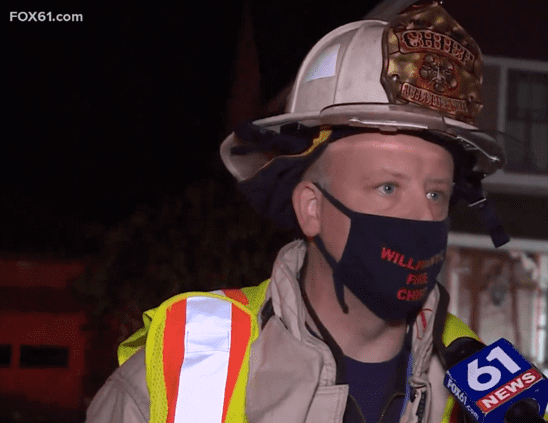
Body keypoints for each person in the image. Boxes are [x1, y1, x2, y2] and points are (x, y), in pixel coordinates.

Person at [86, 2, 517, 422]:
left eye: (436, 195)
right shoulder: (189, 362)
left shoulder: (485, 380)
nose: (421, 217)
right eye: (388, 187)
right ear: (312, 208)